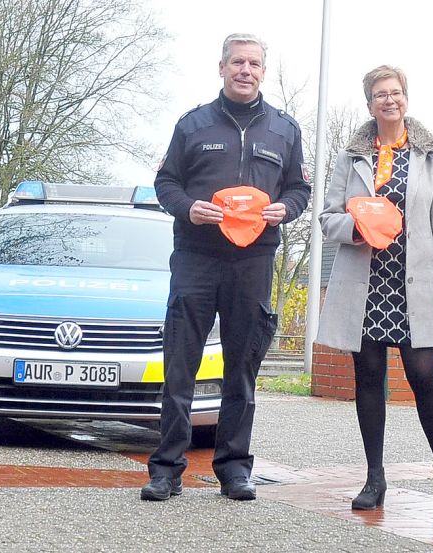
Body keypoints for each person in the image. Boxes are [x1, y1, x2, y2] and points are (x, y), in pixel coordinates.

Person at [141, 33, 310, 502]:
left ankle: (234, 468)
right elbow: (165, 182)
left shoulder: (285, 129)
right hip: (196, 257)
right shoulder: (193, 124)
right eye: (238, 62)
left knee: (242, 368)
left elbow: (299, 188)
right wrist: (188, 208)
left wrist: (287, 208)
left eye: (254, 63)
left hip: (254, 260)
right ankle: (166, 469)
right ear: (221, 67)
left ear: (263, 71)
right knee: (181, 366)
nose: (246, 70)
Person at [316, 65, 433, 517]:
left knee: (425, 379)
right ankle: (374, 478)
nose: (389, 100)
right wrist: (356, 229)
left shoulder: (430, 155)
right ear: (369, 104)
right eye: (380, 94)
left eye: (395, 92)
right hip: (366, 283)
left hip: (413, 282)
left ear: (406, 99)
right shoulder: (350, 157)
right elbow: (327, 219)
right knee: (368, 379)